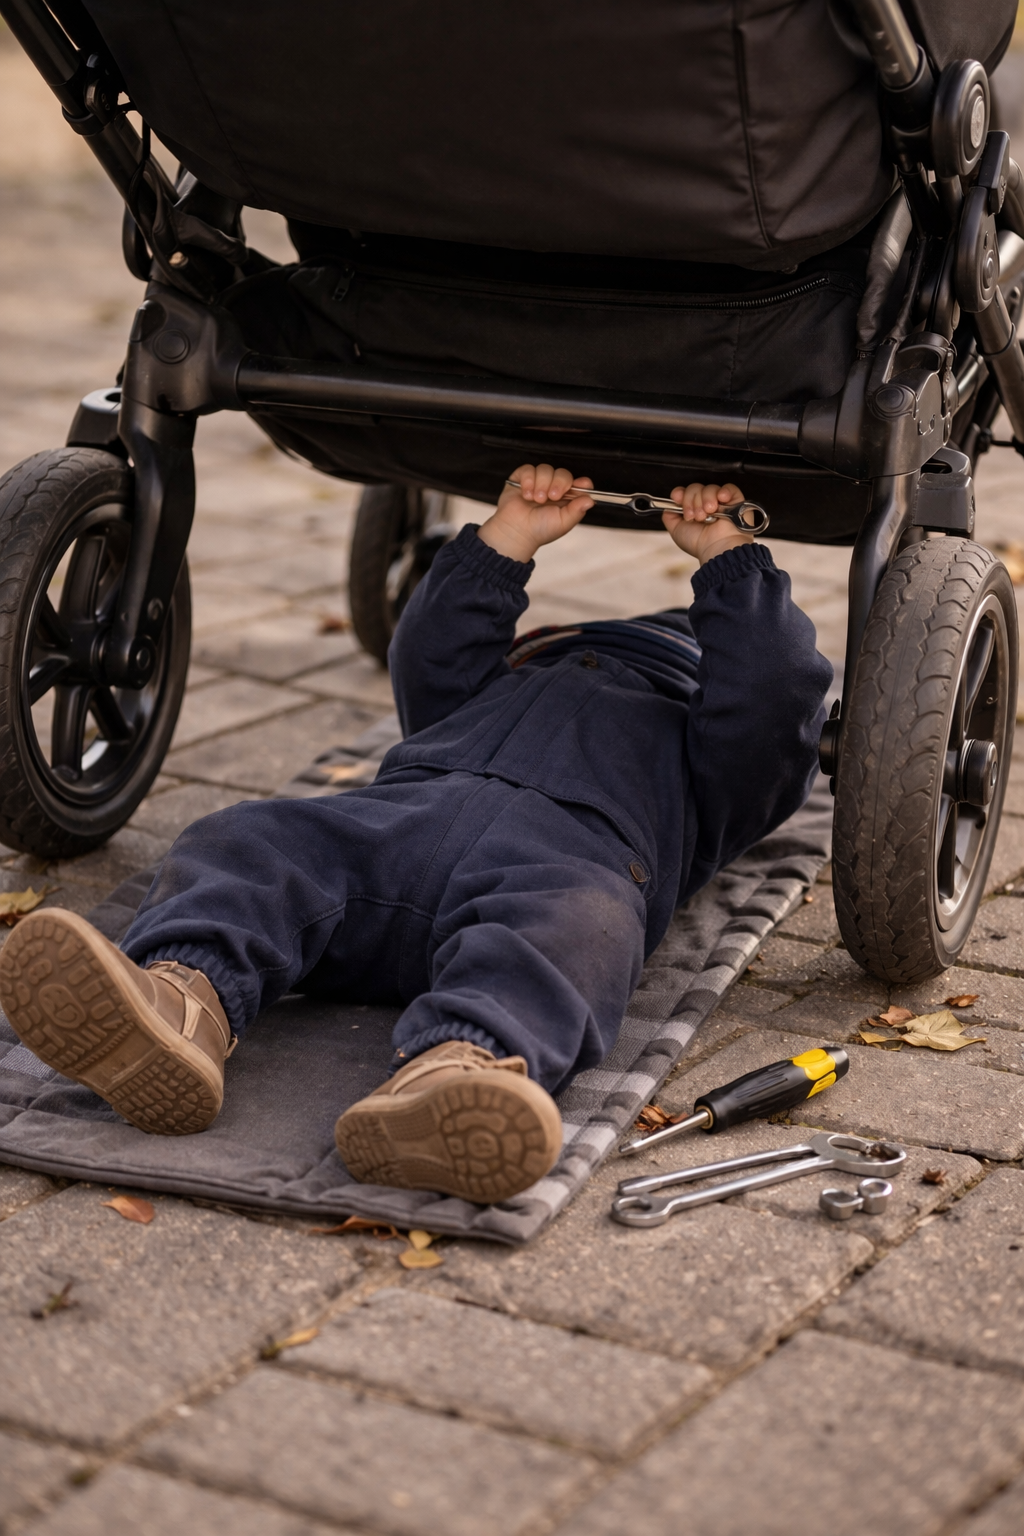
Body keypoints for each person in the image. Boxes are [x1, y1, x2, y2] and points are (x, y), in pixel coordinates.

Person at [0, 465, 831, 1204]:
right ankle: (183, 1002)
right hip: (393, 822)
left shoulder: (719, 767)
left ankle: (457, 1071)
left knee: (582, 928)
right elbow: (432, 657)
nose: (611, 655)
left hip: (569, 855)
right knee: (250, 839)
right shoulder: (501, 681)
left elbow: (772, 696)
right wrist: (507, 540)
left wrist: (729, 567)